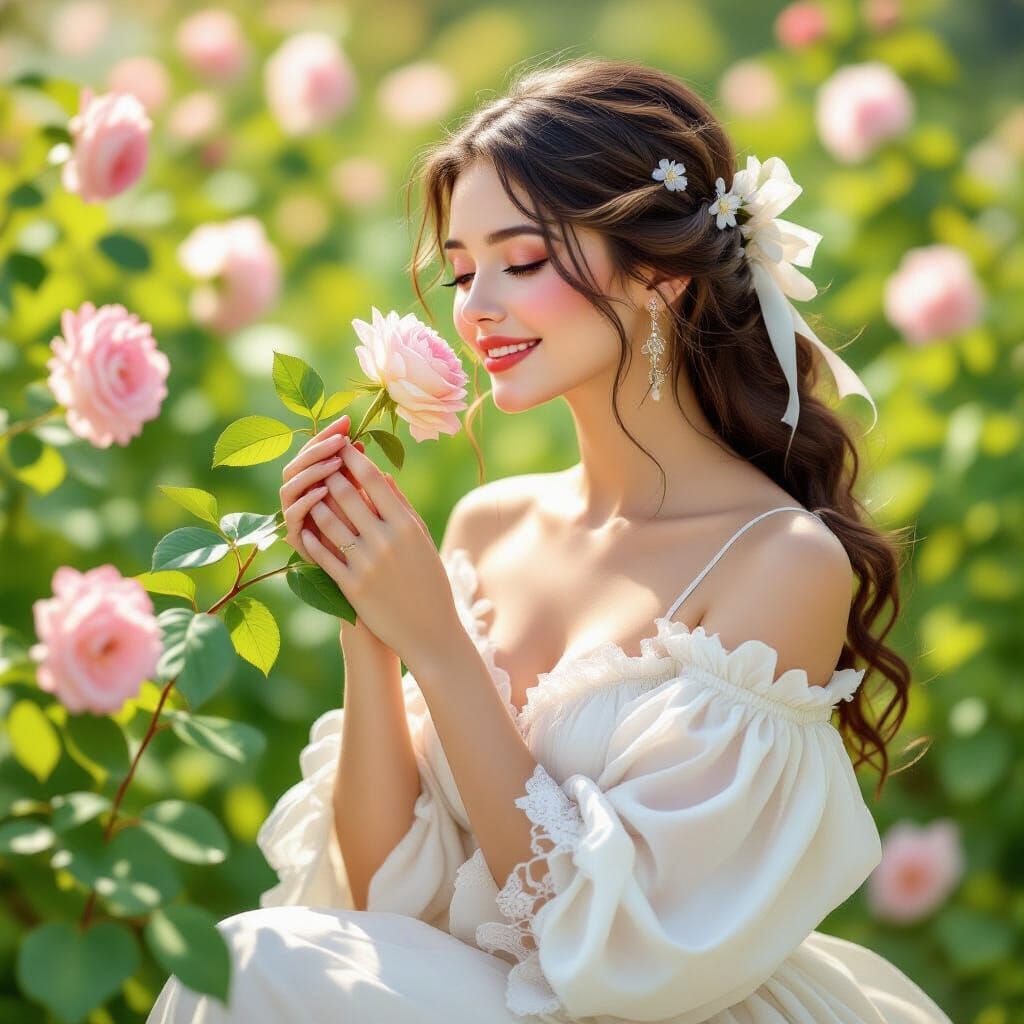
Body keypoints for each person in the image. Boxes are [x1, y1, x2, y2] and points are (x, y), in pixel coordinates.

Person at [149, 57, 953, 1023]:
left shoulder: (779, 562)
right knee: (254, 961)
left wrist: (441, 647)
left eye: (521, 261)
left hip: (643, 1009)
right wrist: (369, 622)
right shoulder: (490, 524)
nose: (477, 306)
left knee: (247, 963)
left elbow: (616, 954)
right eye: (459, 270)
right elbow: (377, 897)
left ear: (657, 273)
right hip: (463, 990)